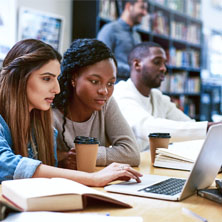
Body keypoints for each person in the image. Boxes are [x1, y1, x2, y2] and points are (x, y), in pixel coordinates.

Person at [0, 38, 142, 186]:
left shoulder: (39, 122)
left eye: (56, 79)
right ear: (17, 78)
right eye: (47, 78)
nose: (57, 89)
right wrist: (93, 179)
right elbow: (6, 164)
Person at [113, 42, 219, 151]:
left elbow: (187, 124)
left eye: (165, 63)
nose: (164, 68)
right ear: (137, 65)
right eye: (157, 62)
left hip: (147, 163)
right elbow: (146, 127)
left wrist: (214, 129)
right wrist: (210, 127)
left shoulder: (157, 97)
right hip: (122, 165)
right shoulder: (121, 93)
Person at [52, 38, 140, 170]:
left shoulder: (106, 104)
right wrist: (61, 159)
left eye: (110, 83)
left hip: (97, 183)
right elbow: (38, 158)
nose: (104, 91)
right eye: (94, 81)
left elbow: (132, 153)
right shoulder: (50, 109)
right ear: (74, 78)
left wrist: (87, 155)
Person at [97, 0, 148, 79]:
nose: (145, 13)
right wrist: (133, 70)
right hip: (116, 87)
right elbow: (102, 62)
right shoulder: (109, 30)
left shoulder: (137, 36)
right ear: (128, 6)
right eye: (142, 7)